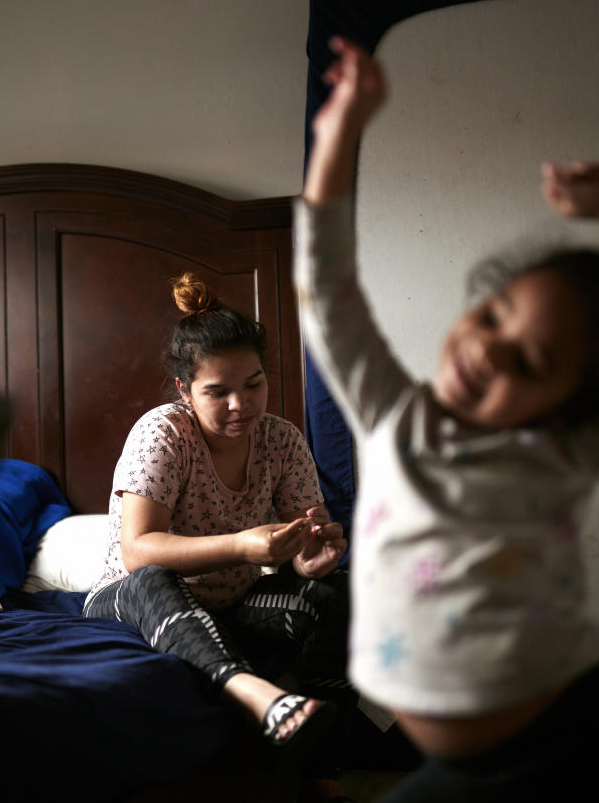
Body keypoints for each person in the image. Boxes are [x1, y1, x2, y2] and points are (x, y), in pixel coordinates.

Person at [294, 36, 599, 801]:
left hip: (574, 727)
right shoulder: (394, 416)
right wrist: (336, 138)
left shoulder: (562, 453)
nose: (490, 353)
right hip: (464, 766)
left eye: (528, 365)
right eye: (493, 317)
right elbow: (325, 290)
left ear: (564, 405)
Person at [83, 273, 355, 801]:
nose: (241, 405)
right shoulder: (163, 433)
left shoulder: (281, 439)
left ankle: (323, 772)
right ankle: (258, 697)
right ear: (185, 390)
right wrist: (242, 545)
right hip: (130, 597)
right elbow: (138, 551)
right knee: (154, 577)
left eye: (253, 384)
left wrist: (315, 556)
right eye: (218, 392)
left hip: (232, 601)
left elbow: (309, 536)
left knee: (333, 595)